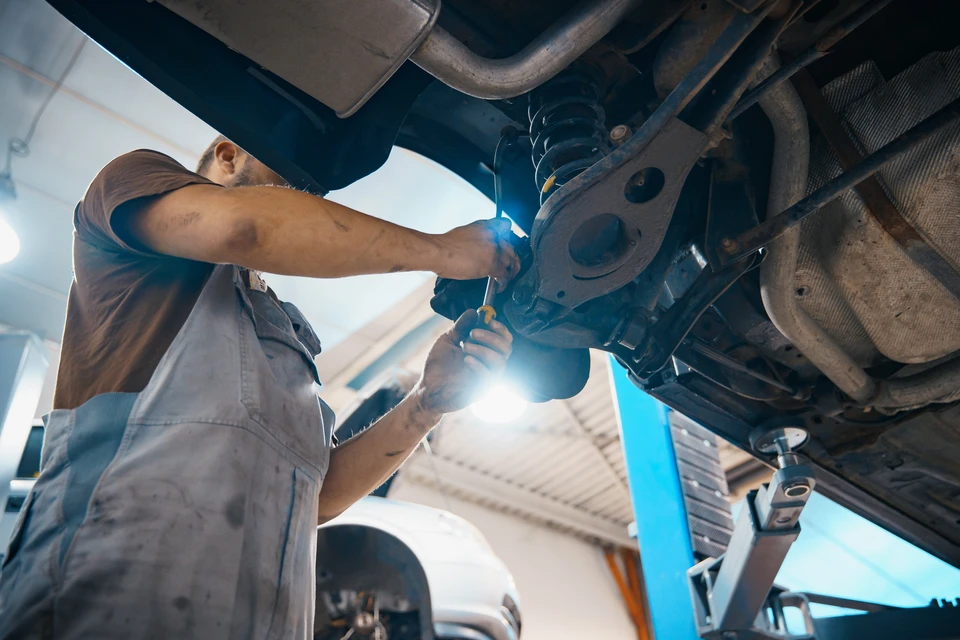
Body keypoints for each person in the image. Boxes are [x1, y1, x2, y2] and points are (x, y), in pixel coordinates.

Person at [0, 137, 519, 639]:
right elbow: (244, 227)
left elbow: (321, 497)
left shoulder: (286, 340)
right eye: (290, 188)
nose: (307, 205)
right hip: (102, 601)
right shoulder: (130, 184)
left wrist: (425, 405)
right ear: (228, 155)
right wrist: (444, 251)